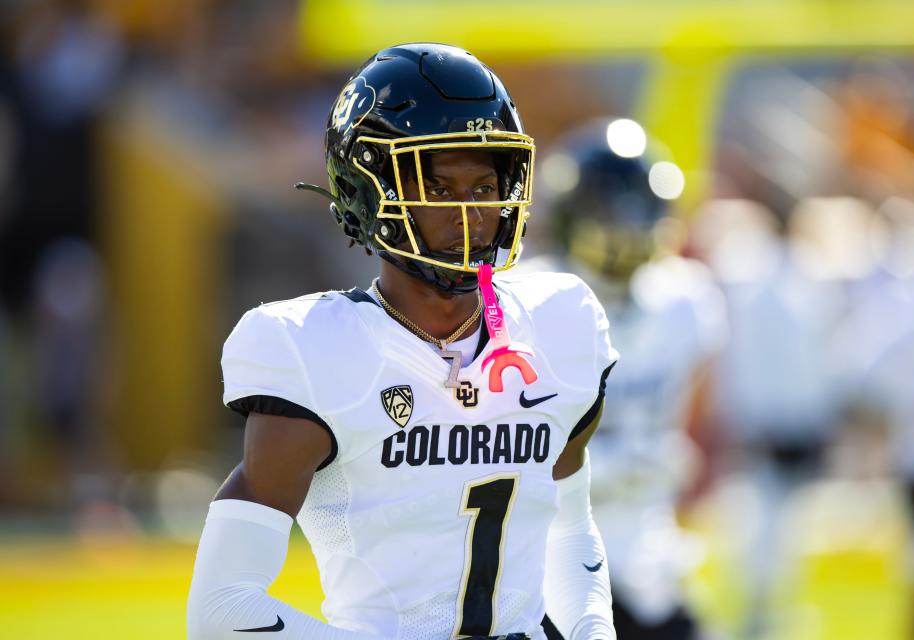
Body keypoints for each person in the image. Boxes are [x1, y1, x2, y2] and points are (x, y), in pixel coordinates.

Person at [187, 43, 618, 640]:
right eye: (437, 187)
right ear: (366, 191)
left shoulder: (559, 324)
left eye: (485, 185)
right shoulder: (311, 350)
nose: (469, 212)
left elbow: (570, 530)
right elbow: (222, 610)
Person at [526, 119, 726, 639]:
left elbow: (695, 413)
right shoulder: (526, 302)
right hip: (552, 556)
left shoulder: (685, 300)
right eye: (613, 211)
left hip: (648, 548)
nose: (628, 227)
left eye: (638, 211)